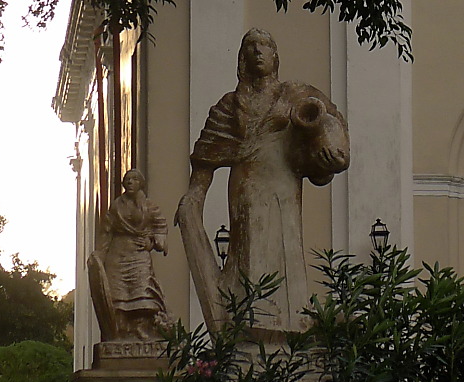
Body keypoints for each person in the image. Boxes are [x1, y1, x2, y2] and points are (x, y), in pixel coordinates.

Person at [175, 28, 350, 333]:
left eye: (264, 45)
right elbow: (206, 158)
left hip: (284, 187)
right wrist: (194, 196)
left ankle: (292, 321)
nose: (257, 51)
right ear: (242, 58)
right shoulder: (229, 106)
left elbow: (328, 129)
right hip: (246, 188)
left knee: (287, 246)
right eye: (250, 46)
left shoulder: (296, 94)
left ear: (274, 56)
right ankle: (251, 318)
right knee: (249, 247)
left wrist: (332, 156)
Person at [87, 168, 169, 341]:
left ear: (140, 183)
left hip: (139, 254)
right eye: (127, 179)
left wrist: (152, 242)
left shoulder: (149, 206)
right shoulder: (116, 206)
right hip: (117, 255)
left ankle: (141, 328)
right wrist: (100, 255)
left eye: (134, 179)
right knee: (118, 294)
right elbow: (106, 231)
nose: (130, 182)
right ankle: (121, 332)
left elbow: (160, 226)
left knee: (142, 289)